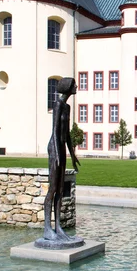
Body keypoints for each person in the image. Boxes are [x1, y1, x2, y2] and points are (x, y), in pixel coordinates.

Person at [41, 77, 81, 244]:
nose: (76, 86)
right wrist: (57, 153)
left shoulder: (67, 106)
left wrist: (72, 155)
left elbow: (67, 135)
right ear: (67, 87)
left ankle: (58, 227)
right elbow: (55, 131)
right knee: (53, 187)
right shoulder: (58, 104)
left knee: (60, 189)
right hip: (54, 147)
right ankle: (47, 228)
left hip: (62, 148)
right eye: (74, 84)